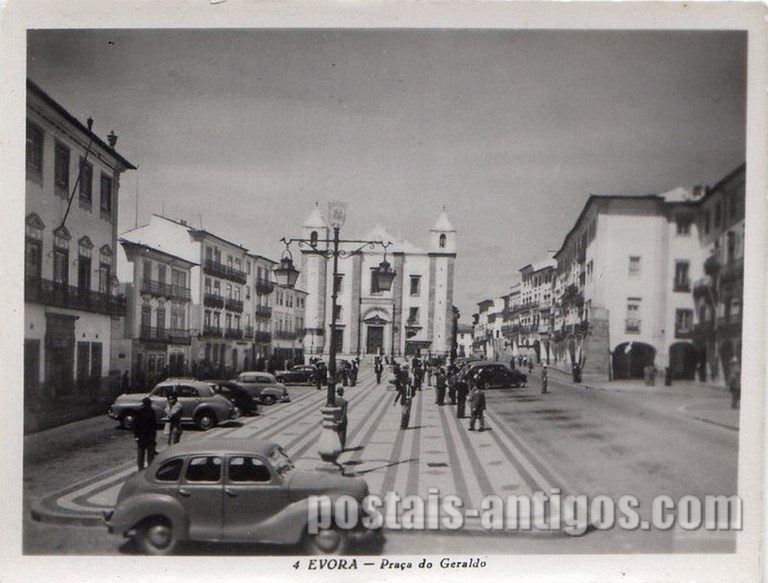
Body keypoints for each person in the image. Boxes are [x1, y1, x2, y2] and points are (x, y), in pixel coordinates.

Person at [134, 397, 157, 470]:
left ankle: (140, 467)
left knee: (141, 452)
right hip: (149, 436)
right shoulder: (152, 412)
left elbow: (135, 425)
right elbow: (154, 426)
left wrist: (136, 436)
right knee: (150, 452)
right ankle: (150, 467)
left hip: (141, 436)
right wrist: (154, 437)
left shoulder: (138, 412)